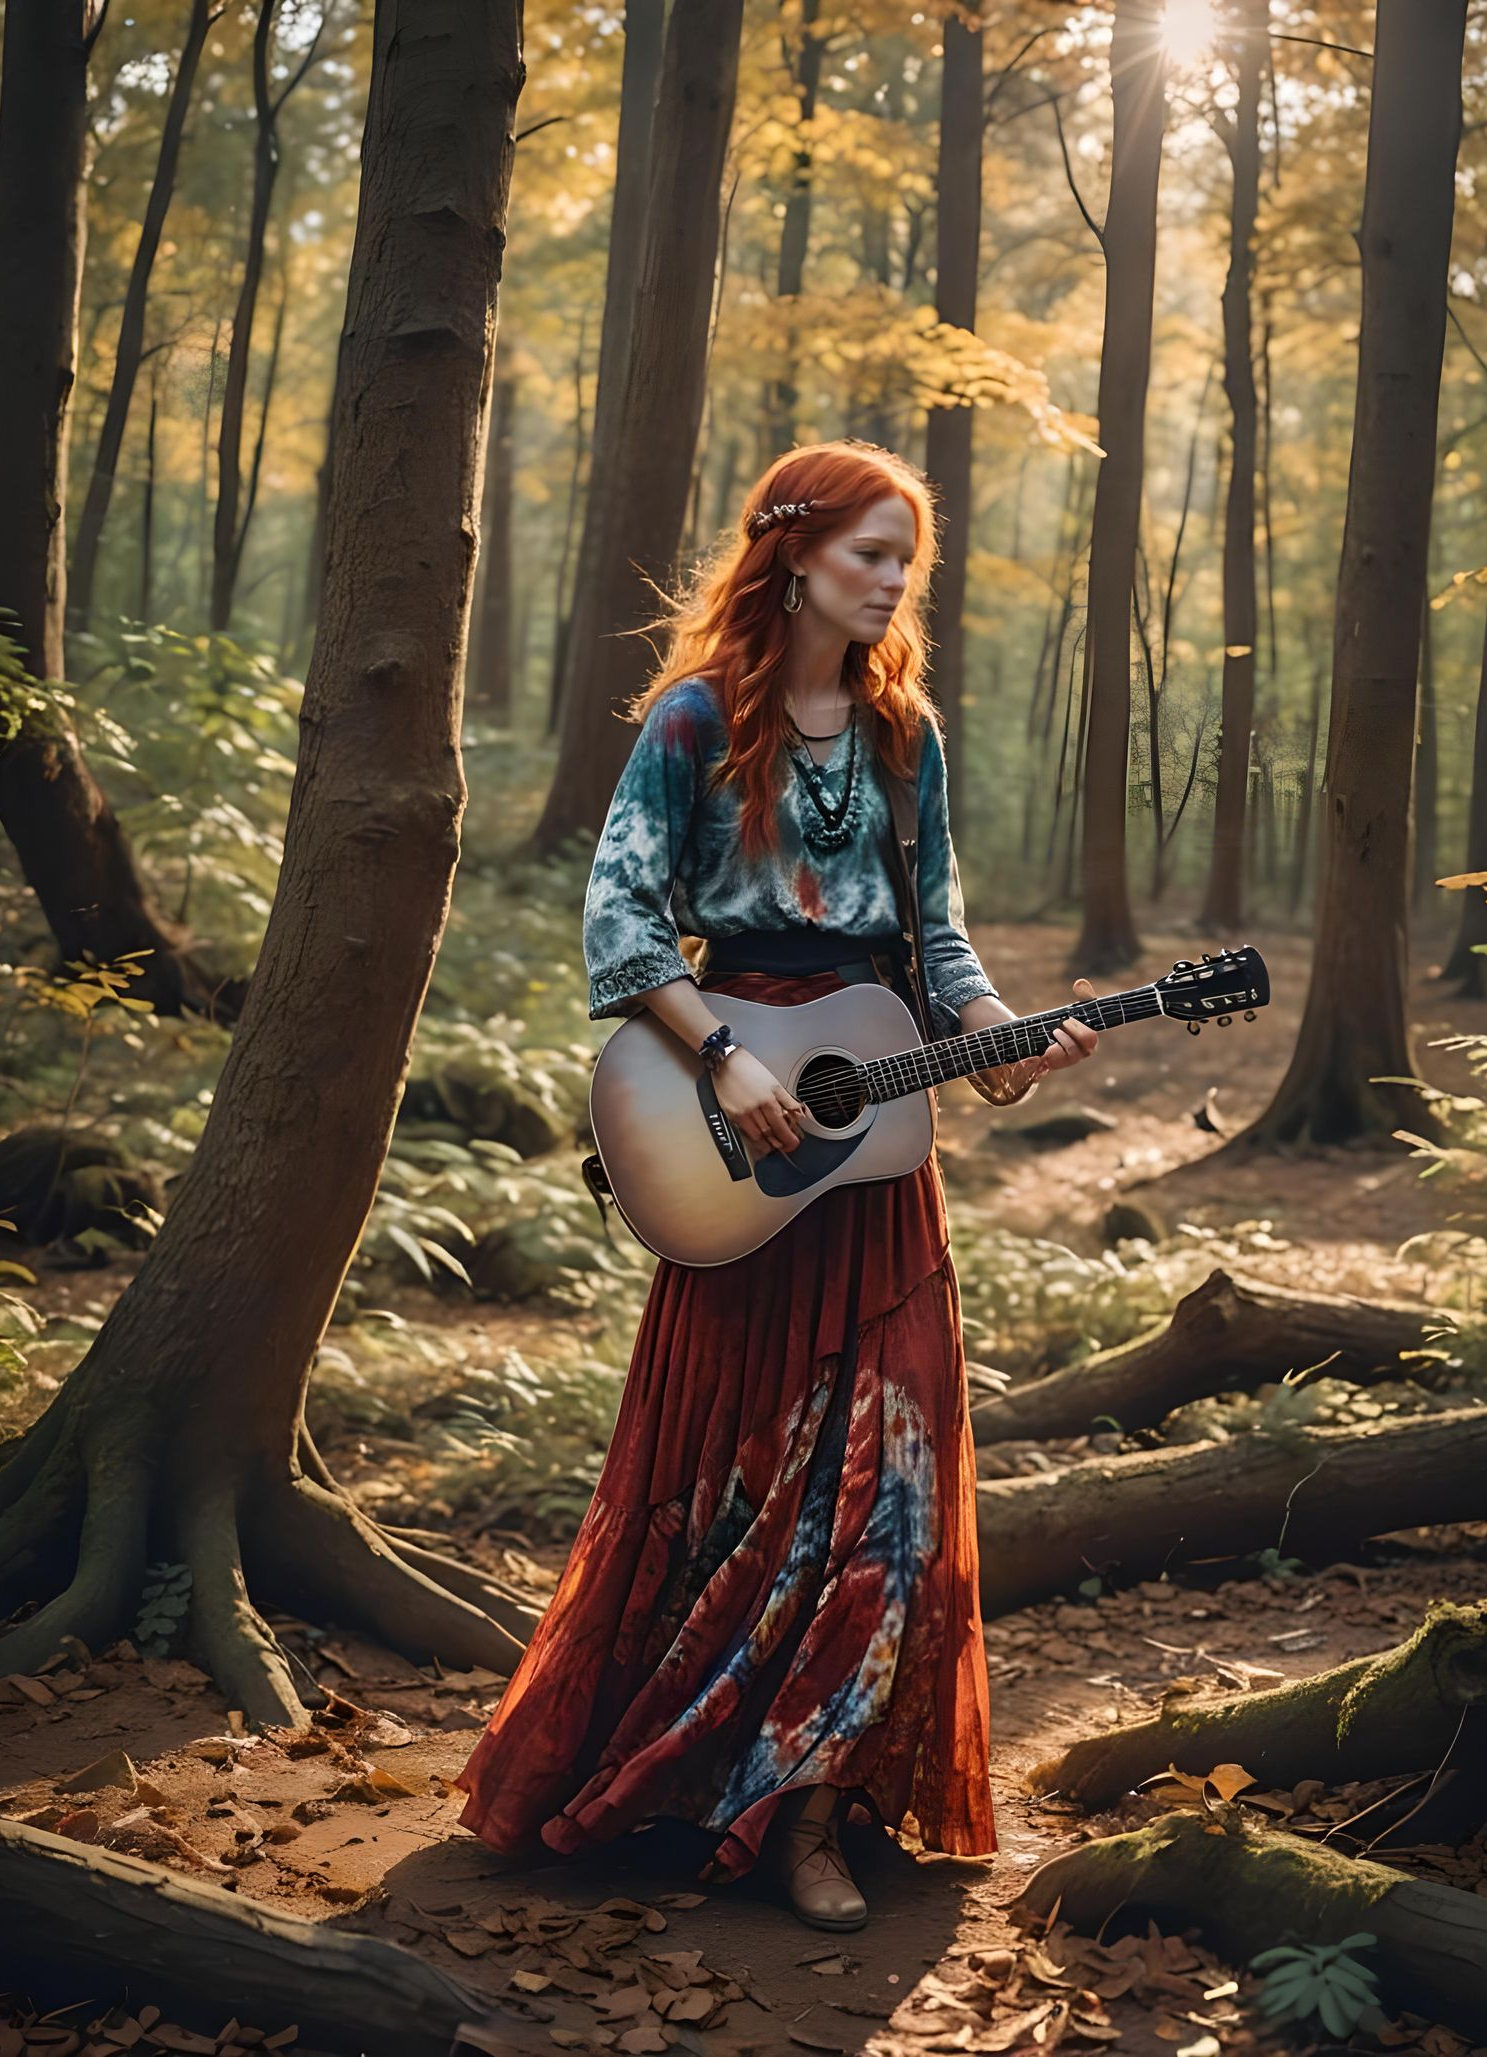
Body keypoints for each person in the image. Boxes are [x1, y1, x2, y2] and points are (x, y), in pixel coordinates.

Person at [455, 439, 1100, 1932]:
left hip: (874, 1158)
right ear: (795, 550)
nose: (892, 584)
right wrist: (731, 1055)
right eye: (873, 553)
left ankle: (809, 1813)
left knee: (894, 1486)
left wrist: (998, 1044)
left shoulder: (904, 735)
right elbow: (617, 926)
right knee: (733, 1481)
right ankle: (685, 1779)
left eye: (907, 563)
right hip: (732, 1129)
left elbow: (935, 942)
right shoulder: (694, 721)